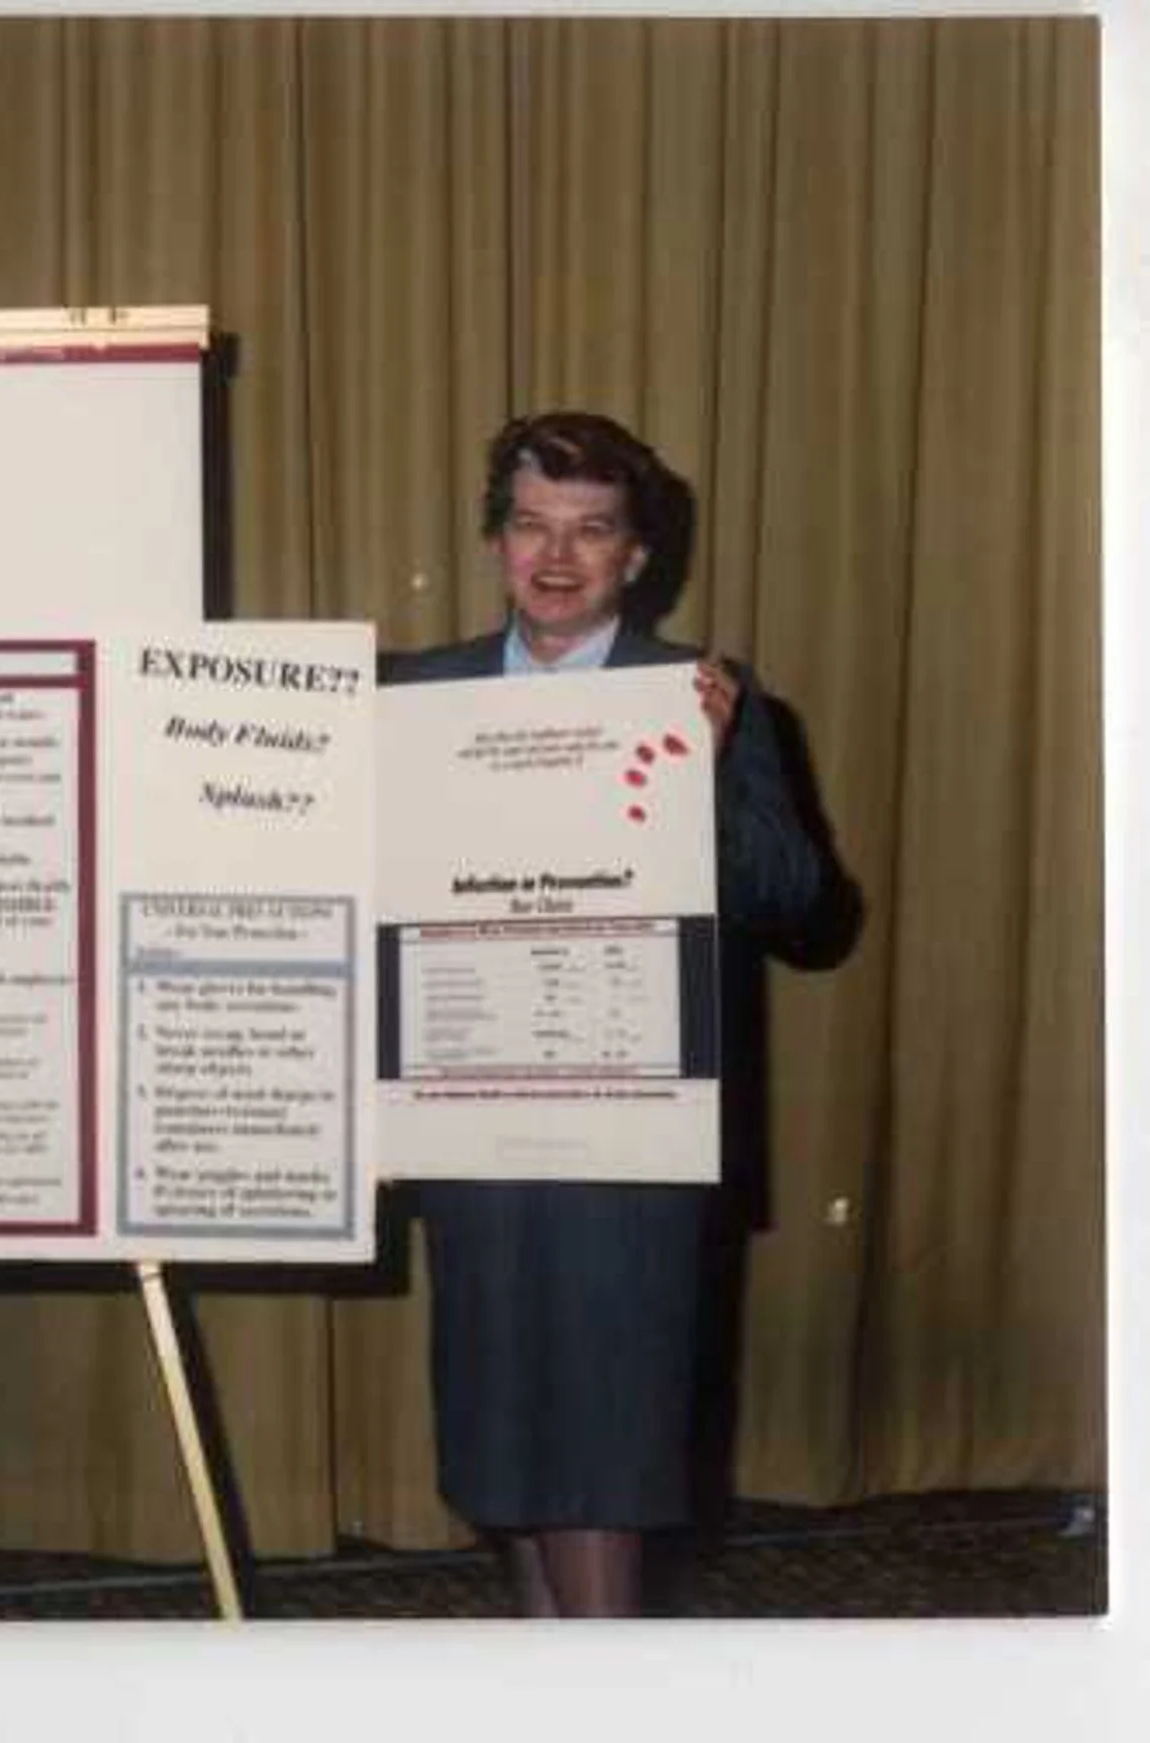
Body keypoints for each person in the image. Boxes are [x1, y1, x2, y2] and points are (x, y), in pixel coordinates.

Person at [386, 410, 831, 1617]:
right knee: (506, 1449)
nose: (556, 557)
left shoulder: (700, 694)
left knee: (603, 1454)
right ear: (496, 540)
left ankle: (606, 1693)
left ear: (635, 557)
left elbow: (796, 904)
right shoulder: (418, 694)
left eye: (589, 531)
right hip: (471, 1120)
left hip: (628, 1138)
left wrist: (706, 770)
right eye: (531, 525)